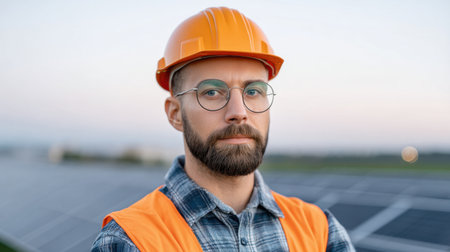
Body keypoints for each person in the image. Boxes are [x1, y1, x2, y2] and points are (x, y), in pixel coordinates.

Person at [91, 6, 355, 252]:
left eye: (253, 91)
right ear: (175, 114)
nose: (238, 112)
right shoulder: (130, 240)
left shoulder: (320, 232)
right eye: (213, 92)